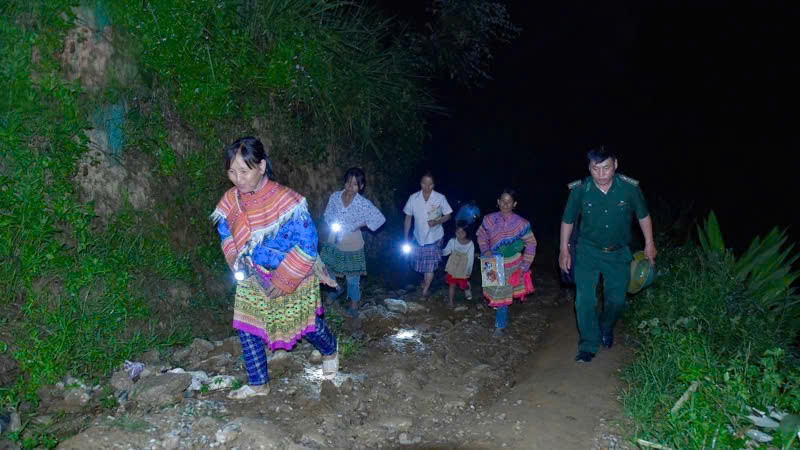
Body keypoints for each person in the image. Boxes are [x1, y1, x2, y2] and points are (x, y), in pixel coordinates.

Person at [211, 137, 338, 399]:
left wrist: (284, 280)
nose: (237, 179)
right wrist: (236, 260)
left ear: (261, 166)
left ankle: (331, 349)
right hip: (253, 272)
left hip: (294, 274)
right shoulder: (230, 200)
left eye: (244, 171)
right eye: (231, 172)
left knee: (307, 326)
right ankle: (259, 384)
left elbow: (307, 244)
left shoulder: (287, 202)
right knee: (247, 326)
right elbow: (225, 231)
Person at [559, 145, 657, 363]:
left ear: (615, 165)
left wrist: (649, 243)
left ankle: (606, 326)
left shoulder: (630, 189)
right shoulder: (580, 189)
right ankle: (588, 345)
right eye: (596, 169)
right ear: (589, 168)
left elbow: (643, 216)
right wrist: (563, 249)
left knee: (617, 300)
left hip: (618, 254)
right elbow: (568, 220)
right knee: (584, 300)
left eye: (606, 168)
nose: (601, 174)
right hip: (587, 252)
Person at [321, 167, 386, 317]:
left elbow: (380, 219)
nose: (351, 187)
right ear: (344, 183)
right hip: (334, 240)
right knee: (328, 269)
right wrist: (332, 222)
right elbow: (327, 214)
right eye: (348, 183)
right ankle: (336, 289)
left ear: (361, 187)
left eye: (355, 184)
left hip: (353, 244)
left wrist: (359, 225)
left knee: (352, 278)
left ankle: (354, 305)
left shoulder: (363, 203)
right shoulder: (335, 197)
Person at [476, 189, 537, 336]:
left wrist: (524, 266)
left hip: (512, 264)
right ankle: (499, 316)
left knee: (502, 294)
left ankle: (499, 326)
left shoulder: (522, 223)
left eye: (509, 201)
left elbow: (531, 243)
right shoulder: (488, 220)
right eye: (503, 200)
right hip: (491, 262)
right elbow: (481, 236)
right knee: (494, 292)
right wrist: (486, 251)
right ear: (498, 202)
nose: (505, 204)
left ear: (514, 204)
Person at [403, 172, 453, 298]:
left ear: (433, 185)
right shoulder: (413, 198)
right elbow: (408, 218)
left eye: (430, 184)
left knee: (429, 266)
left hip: (435, 237)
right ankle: (425, 283)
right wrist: (405, 237)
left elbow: (448, 215)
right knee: (420, 264)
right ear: (421, 184)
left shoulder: (440, 198)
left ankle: (425, 290)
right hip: (418, 237)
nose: (427, 187)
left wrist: (437, 221)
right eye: (424, 183)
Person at [442, 221, 475, 308]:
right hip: (452, 266)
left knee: (463, 285)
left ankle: (468, 288)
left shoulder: (470, 244)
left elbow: (471, 259)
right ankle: (451, 302)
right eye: (457, 232)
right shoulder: (452, 241)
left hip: (463, 268)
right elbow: (446, 251)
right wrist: (439, 252)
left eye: (462, 232)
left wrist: (469, 271)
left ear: (466, 232)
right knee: (452, 284)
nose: (459, 234)